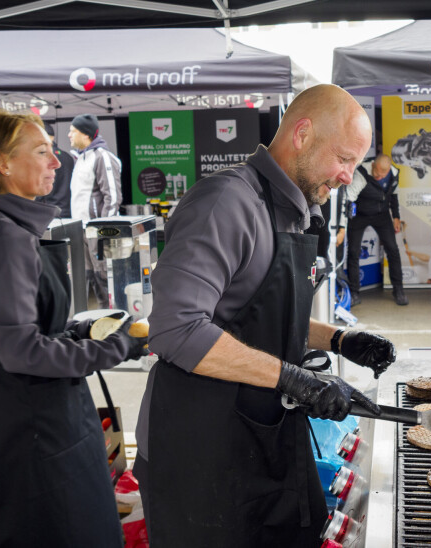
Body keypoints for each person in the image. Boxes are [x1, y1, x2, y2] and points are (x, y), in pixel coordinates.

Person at [138, 84, 397, 547]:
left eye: (355, 165)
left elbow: (261, 314)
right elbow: (177, 329)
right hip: (203, 454)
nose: (347, 177)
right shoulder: (226, 204)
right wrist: (295, 380)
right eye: (344, 160)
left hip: (262, 436)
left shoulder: (296, 208)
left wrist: (339, 341)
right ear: (302, 134)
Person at [0, 112, 147, 547]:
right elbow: (23, 350)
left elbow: (34, 326)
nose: (56, 162)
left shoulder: (16, 230)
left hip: (47, 411)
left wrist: (86, 333)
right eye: (42, 152)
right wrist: (114, 348)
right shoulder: (2, 238)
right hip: (26, 423)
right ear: (3, 164)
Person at [69, 114, 122, 308]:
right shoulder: (81, 157)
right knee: (88, 274)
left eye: (73, 131)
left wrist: (103, 229)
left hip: (96, 230)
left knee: (104, 275)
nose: (69, 135)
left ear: (86, 134)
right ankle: (101, 316)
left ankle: (114, 315)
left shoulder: (102, 156)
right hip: (80, 228)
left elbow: (113, 196)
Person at [345, 154, 408, 306]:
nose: (379, 177)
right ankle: (354, 293)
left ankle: (398, 289)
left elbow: (394, 196)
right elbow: (349, 197)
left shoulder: (394, 173)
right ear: (373, 165)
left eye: (382, 175)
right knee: (353, 252)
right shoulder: (362, 172)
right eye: (377, 173)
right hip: (360, 215)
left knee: (393, 250)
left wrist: (396, 217)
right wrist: (344, 223)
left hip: (382, 215)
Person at [37, 123, 74, 218]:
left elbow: (40, 189)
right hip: (67, 213)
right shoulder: (68, 157)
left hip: (48, 214)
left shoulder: (42, 157)